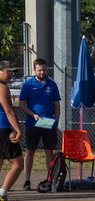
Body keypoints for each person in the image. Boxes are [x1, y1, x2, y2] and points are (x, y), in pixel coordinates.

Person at [19, 58, 61, 191]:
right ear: (34, 70)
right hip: (33, 123)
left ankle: (50, 180)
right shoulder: (28, 85)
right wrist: (33, 115)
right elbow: (22, 104)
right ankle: (27, 180)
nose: (42, 72)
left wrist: (56, 121)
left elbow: (57, 105)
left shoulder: (52, 85)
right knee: (30, 151)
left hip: (48, 123)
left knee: (49, 151)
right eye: (39, 70)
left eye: (44, 69)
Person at [0, 61, 24, 201]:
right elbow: (9, 111)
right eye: (8, 71)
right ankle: (2, 196)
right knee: (18, 164)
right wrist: (18, 129)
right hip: (3, 130)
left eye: (12, 72)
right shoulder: (2, 87)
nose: (11, 74)